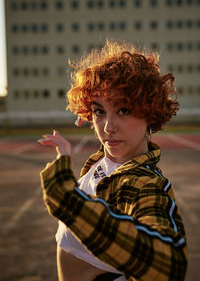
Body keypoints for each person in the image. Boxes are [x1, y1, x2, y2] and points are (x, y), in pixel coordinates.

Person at [38, 39, 187, 281]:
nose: (107, 128)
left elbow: (167, 264)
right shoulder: (104, 160)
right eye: (99, 111)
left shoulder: (143, 185)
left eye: (124, 110)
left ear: (150, 112)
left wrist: (70, 200)